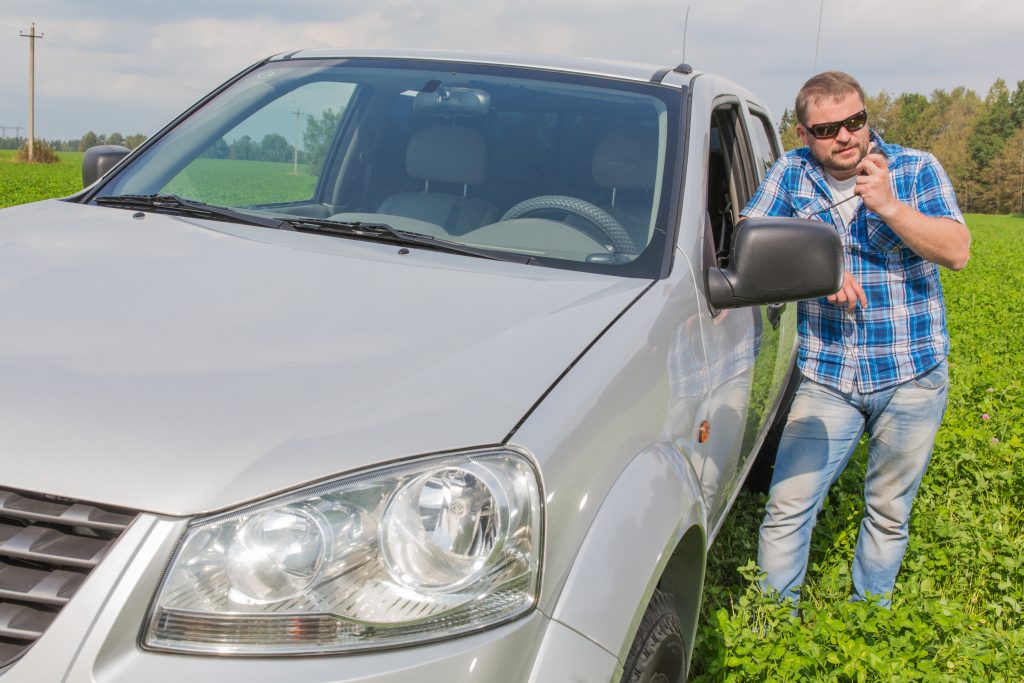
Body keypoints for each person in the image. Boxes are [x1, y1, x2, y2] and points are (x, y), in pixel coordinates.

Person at [740, 71, 971, 607]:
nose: (844, 137)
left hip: (912, 373)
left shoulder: (915, 168)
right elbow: (748, 237)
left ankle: (870, 617)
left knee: (889, 510)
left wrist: (889, 205)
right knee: (787, 507)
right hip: (828, 377)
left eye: (854, 122)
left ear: (865, 116)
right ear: (804, 134)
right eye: (827, 129)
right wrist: (817, 264)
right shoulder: (792, 174)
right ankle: (774, 627)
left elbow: (957, 250)